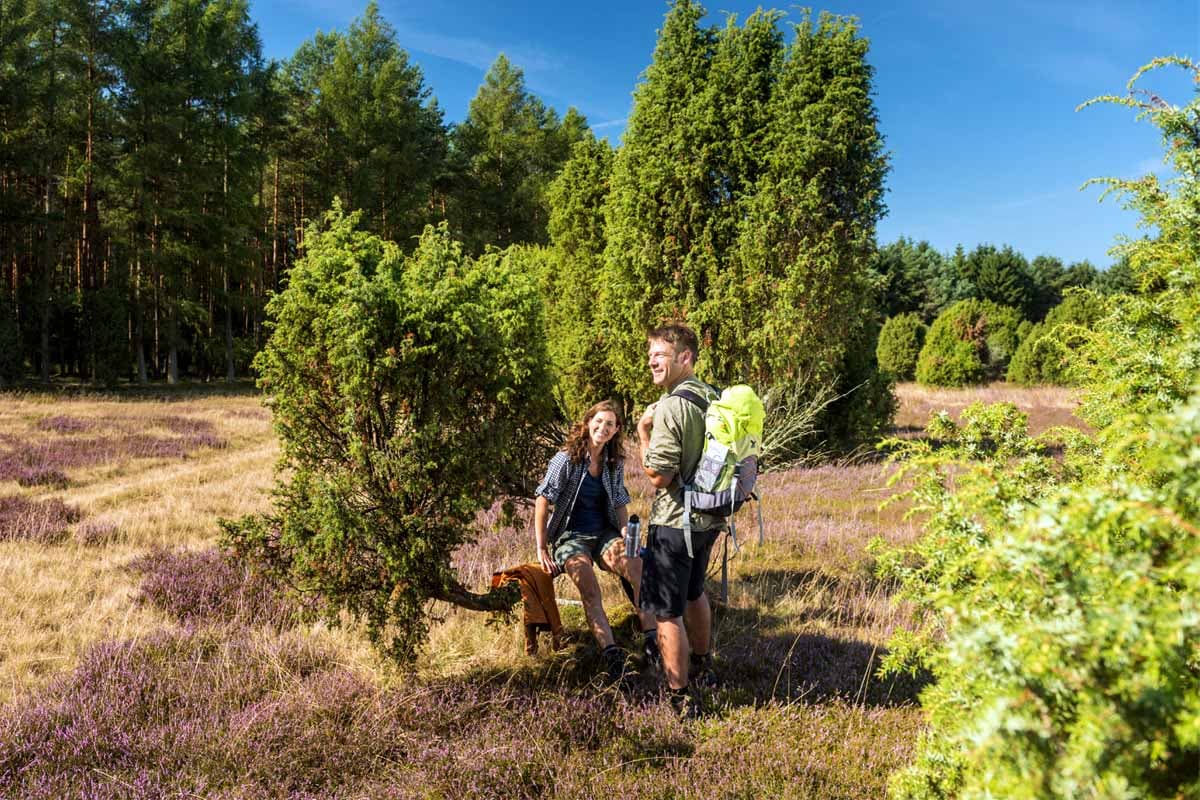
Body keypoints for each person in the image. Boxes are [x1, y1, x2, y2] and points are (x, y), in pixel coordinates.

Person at [534, 400, 659, 681]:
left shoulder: (612, 462)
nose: (603, 428)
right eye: (599, 422)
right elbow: (542, 501)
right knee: (590, 589)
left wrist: (626, 532)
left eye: (610, 424)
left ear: (616, 431)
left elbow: (618, 502)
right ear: (588, 422)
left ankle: (652, 641)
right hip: (571, 538)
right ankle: (612, 655)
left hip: (603, 534)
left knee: (639, 568)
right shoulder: (566, 459)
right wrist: (542, 547)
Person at [636, 323, 723, 712]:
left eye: (660, 354)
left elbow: (659, 475)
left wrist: (642, 434)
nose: (652, 361)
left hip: (674, 523)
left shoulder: (673, 405)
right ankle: (704, 667)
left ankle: (680, 697)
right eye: (650, 354)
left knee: (667, 612)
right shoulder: (713, 397)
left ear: (684, 357)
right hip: (708, 518)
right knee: (695, 592)